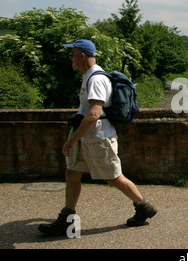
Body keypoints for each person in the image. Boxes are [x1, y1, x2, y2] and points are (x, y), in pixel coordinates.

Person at [38, 39, 157, 236]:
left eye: (72, 54)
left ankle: (143, 206)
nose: (70, 58)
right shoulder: (89, 76)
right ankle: (66, 221)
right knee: (72, 173)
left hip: (99, 139)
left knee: (114, 178)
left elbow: (93, 114)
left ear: (82, 56)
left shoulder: (96, 79)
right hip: (89, 137)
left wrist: (71, 140)